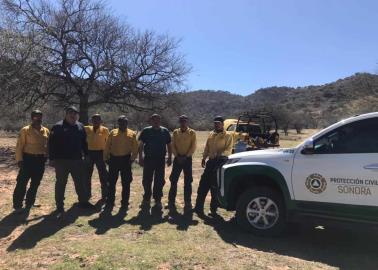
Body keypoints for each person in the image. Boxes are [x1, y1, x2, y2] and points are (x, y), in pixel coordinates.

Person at [49, 106, 94, 217]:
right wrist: (51, 159)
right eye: (70, 113)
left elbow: (84, 142)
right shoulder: (58, 126)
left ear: (77, 115)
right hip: (61, 161)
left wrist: (87, 155)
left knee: (80, 182)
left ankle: (83, 202)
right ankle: (60, 206)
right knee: (61, 184)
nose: (73, 115)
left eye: (75, 113)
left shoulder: (80, 126)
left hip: (77, 160)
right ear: (66, 114)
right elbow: (51, 144)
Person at [194, 116, 233, 217]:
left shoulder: (228, 135)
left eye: (219, 123)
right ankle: (198, 208)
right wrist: (204, 158)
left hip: (220, 163)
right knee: (203, 184)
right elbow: (207, 147)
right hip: (210, 162)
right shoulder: (211, 134)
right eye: (215, 123)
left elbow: (228, 149)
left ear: (222, 124)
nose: (216, 124)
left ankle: (213, 210)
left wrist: (220, 155)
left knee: (214, 186)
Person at [13, 110, 49, 213]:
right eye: (35, 117)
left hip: (40, 160)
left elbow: (47, 145)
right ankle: (17, 204)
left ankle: (30, 202)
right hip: (27, 159)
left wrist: (46, 156)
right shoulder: (25, 130)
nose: (38, 118)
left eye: (40, 116)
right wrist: (19, 160)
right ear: (32, 118)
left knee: (35, 183)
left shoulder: (46, 130)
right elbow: (19, 146)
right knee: (22, 182)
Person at [103, 115, 138, 210]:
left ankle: (125, 202)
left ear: (127, 123)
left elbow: (135, 148)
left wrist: (132, 159)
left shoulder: (132, 133)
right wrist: (105, 158)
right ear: (118, 123)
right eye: (121, 122)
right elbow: (107, 146)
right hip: (113, 160)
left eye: (125, 122)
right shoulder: (112, 132)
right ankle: (110, 201)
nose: (123, 123)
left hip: (126, 160)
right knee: (111, 182)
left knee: (126, 182)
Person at [138, 114, 172, 208]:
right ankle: (146, 199)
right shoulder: (146, 131)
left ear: (160, 120)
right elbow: (140, 145)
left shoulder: (164, 131)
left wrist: (169, 157)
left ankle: (158, 200)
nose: (156, 121)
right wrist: (140, 157)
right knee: (146, 180)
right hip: (148, 159)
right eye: (154, 120)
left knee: (159, 180)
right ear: (151, 121)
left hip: (160, 160)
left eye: (157, 119)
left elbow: (169, 145)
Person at [168, 115, 196, 210]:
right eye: (181, 121)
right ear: (179, 122)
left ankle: (188, 202)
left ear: (187, 122)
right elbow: (172, 145)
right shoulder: (175, 132)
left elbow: (193, 146)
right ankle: (171, 202)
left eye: (184, 121)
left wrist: (186, 156)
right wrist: (177, 156)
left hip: (187, 159)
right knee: (173, 180)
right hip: (177, 159)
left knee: (188, 181)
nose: (183, 123)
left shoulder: (192, 133)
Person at [84, 114, 110, 204]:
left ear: (101, 121)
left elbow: (108, 142)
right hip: (89, 154)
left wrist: (107, 155)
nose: (95, 121)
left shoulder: (105, 130)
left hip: (100, 154)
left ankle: (105, 195)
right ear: (91, 121)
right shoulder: (86, 129)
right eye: (94, 119)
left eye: (97, 119)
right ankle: (87, 195)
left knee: (103, 175)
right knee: (87, 175)